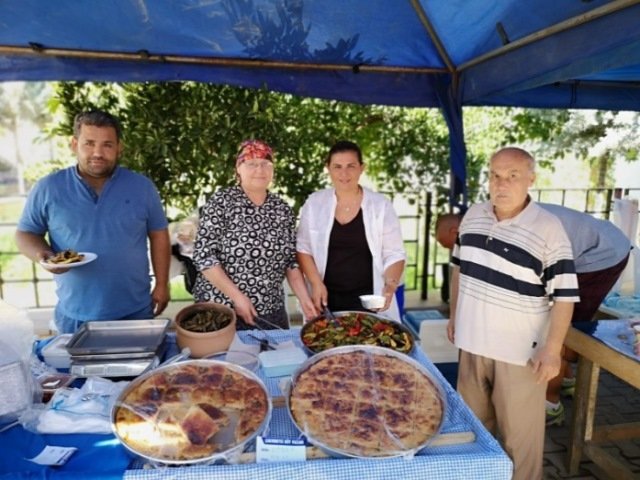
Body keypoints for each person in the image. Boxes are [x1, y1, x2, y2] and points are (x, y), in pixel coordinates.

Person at [447, 147, 579, 480]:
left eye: (512, 176)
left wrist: (552, 351)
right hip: (472, 346)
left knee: (520, 446)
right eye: (495, 175)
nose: (501, 184)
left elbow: (564, 297)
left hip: (520, 355)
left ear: (530, 180)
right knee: (474, 435)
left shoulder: (549, 229)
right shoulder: (473, 215)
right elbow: (458, 269)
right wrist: (454, 316)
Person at [437, 206, 631, 425]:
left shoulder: (500, 228)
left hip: (603, 253)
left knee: (561, 328)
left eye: (449, 246)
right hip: (587, 244)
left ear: (456, 232)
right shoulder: (488, 223)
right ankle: (566, 378)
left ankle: (551, 403)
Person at [15, 110, 171, 334]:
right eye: (89, 143)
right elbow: (26, 233)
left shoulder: (142, 187)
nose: (98, 153)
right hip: (75, 315)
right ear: (74, 144)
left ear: (119, 147)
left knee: (141, 370)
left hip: (135, 311)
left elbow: (158, 234)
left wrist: (162, 284)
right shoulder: (49, 188)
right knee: (77, 370)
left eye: (107, 145)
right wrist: (44, 256)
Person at [191, 139, 317, 330]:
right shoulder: (221, 202)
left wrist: (305, 300)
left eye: (266, 164)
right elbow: (204, 257)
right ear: (238, 168)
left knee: (274, 360)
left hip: (271, 313)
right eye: (251, 164)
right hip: (222, 312)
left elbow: (290, 262)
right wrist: (238, 298)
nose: (260, 170)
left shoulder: (282, 209)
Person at [296, 140, 406, 322]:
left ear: (362, 168)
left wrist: (390, 286)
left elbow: (394, 253)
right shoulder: (314, 203)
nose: (344, 173)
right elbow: (303, 248)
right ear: (328, 168)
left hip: (369, 301)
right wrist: (315, 283)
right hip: (325, 300)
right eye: (337, 166)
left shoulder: (380, 205)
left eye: (351, 166)